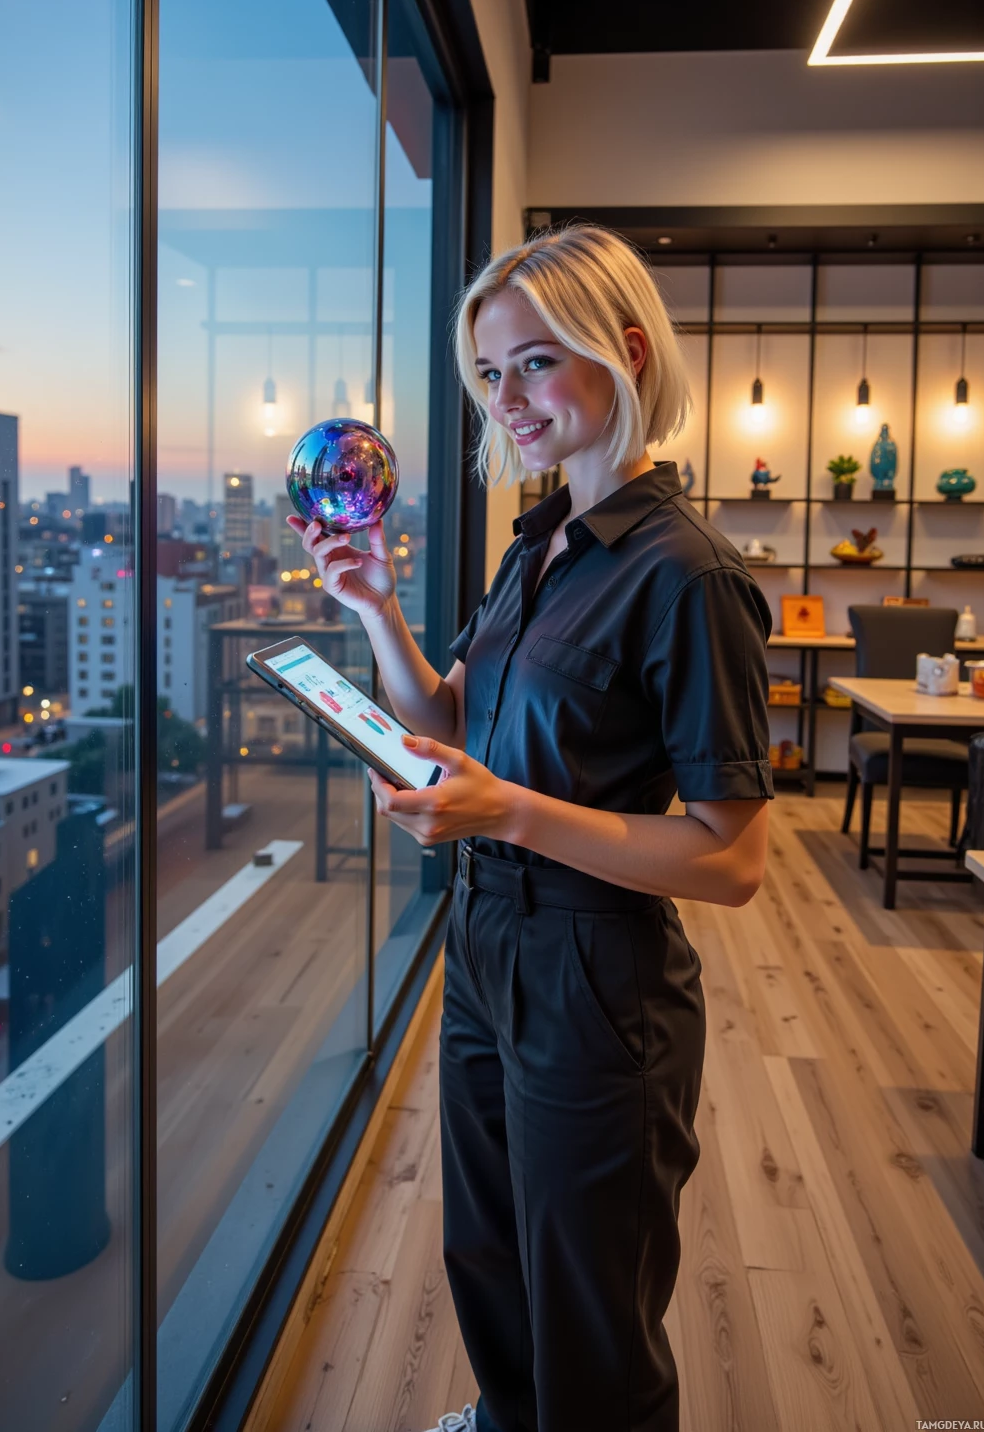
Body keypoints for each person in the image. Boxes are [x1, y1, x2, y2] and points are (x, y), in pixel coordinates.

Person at [288, 224, 773, 1432]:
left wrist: (503, 807)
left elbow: (731, 859)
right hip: (487, 945)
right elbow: (451, 718)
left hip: (598, 977)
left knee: (590, 1308)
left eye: (535, 364)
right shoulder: (540, 541)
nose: (507, 401)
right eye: (489, 376)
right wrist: (378, 611)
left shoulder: (687, 575)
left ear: (622, 351)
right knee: (491, 1259)